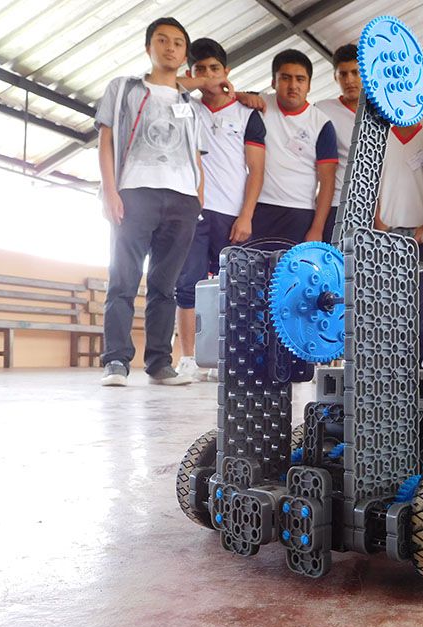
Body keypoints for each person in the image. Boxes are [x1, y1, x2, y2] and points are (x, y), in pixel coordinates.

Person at [95, 17, 212, 387]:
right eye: (162, 40)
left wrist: (198, 200)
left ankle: (160, 364)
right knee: (123, 280)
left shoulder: (189, 105)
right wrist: (110, 190)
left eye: (178, 42)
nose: (170, 47)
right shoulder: (123, 88)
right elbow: (106, 142)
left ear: (184, 54)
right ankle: (115, 361)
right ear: (149, 47)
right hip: (135, 192)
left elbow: (196, 156)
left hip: (182, 200)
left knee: (166, 285)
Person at [174, 38, 265, 382]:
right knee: (188, 286)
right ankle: (188, 358)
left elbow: (256, 170)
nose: (209, 75)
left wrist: (246, 216)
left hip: (232, 213)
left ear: (227, 72)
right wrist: (200, 84)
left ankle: (230, 357)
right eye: (200, 70)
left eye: (215, 69)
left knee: (236, 288)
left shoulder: (248, 114)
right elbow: (167, 89)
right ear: (191, 73)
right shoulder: (187, 108)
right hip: (193, 210)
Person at [250, 49, 337, 249]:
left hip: (300, 214)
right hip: (259, 209)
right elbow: (223, 96)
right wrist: (240, 96)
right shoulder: (259, 104)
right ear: (274, 82)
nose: (293, 86)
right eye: (285, 78)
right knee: (253, 276)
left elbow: (327, 182)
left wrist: (317, 228)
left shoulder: (321, 123)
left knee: (292, 277)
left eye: (300, 79)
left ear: (308, 85)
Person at [374, 117, 423, 368]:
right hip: (385, 232)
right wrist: (378, 221)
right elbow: (372, 183)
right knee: (386, 298)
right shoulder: (381, 137)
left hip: (421, 234)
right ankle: (388, 362)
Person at [316, 43, 360, 244]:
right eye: (343, 74)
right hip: (336, 205)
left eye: (355, 72)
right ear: (335, 77)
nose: (349, 80)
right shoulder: (322, 110)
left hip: (375, 209)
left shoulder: (382, 116)